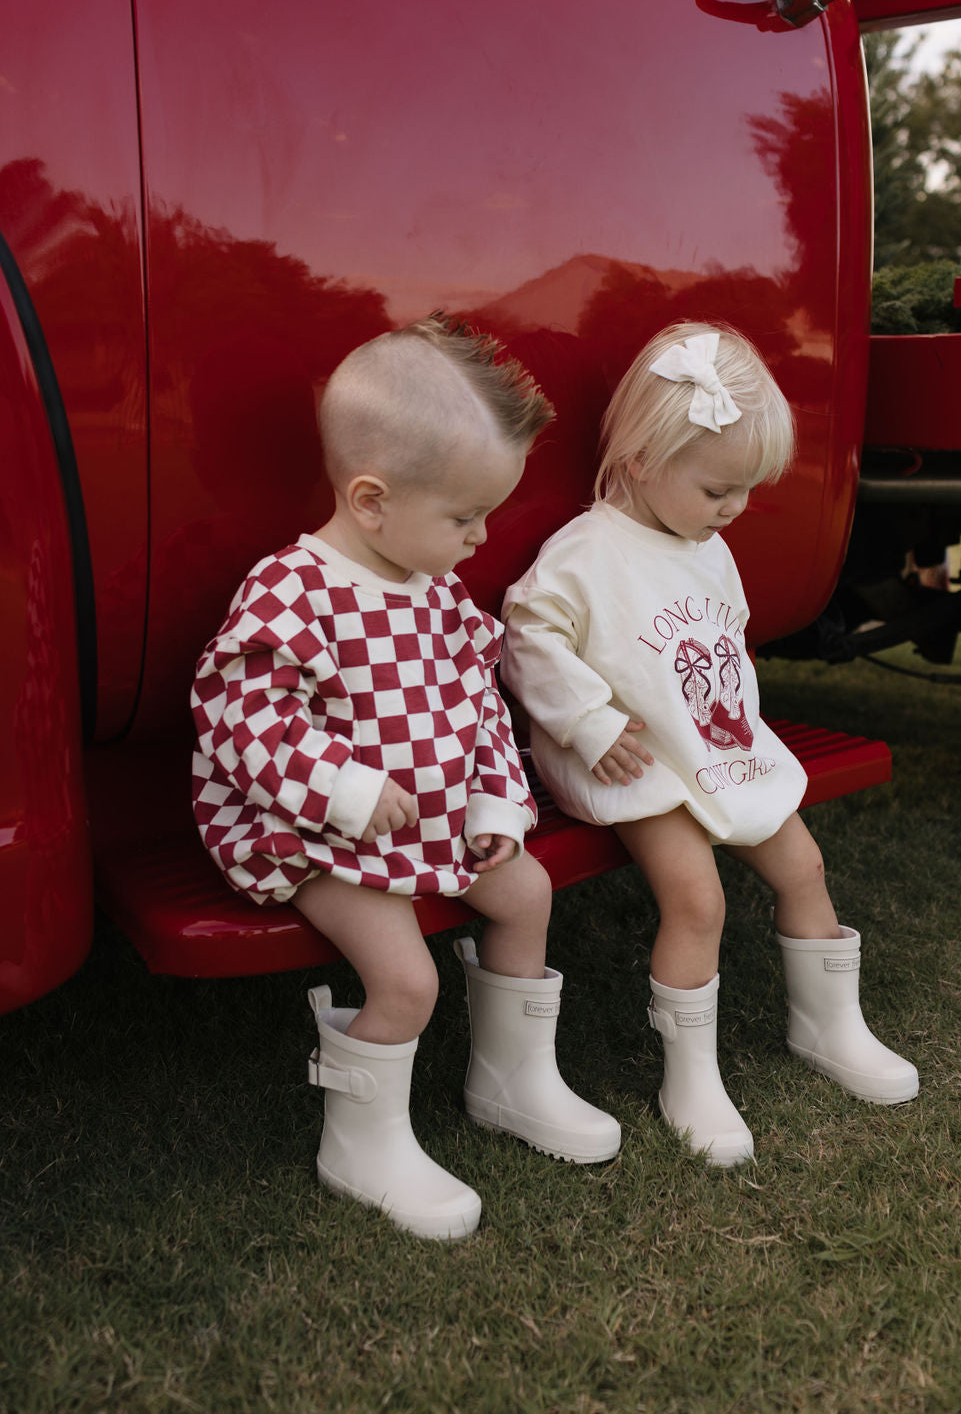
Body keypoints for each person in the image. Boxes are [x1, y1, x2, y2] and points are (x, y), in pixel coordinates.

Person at [191, 315, 620, 1239]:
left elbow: (481, 711)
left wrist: (495, 800)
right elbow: (243, 720)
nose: (482, 535)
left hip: (426, 818)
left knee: (527, 890)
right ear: (373, 499)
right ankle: (362, 1140)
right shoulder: (292, 590)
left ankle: (512, 1081)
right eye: (465, 516)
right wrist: (342, 787)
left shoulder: (441, 596)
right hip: (307, 828)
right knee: (406, 978)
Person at [501, 322, 918, 1168]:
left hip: (712, 739)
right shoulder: (586, 555)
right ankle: (689, 1075)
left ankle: (827, 1025)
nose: (734, 509)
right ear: (645, 458)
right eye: (719, 488)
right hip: (633, 755)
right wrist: (589, 720)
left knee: (804, 866)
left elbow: (721, 638)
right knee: (697, 900)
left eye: (745, 492)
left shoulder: (706, 546)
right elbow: (527, 634)